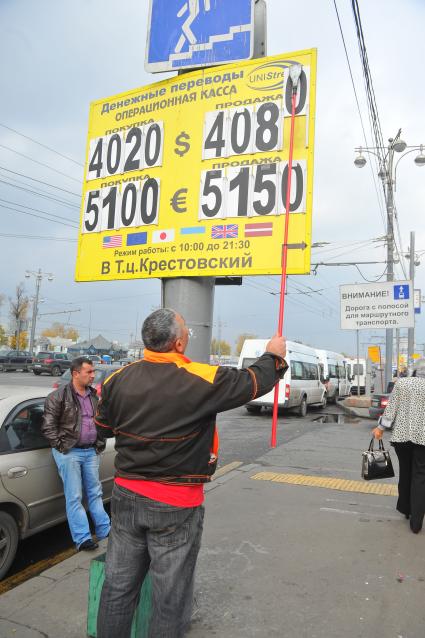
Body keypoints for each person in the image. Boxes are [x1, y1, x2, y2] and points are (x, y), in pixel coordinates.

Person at [95, 308, 287, 638]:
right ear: (179, 343)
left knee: (117, 589)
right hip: (176, 502)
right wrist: (274, 355)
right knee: (170, 599)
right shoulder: (201, 378)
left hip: (125, 496)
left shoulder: (116, 380)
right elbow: (253, 382)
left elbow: (104, 427)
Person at [42, 356, 110, 551]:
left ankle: (106, 531)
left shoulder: (93, 396)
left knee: (95, 493)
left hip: (91, 451)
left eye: (93, 371)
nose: (93, 375)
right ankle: (83, 538)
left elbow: (100, 421)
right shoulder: (59, 396)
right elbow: (48, 427)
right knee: (74, 497)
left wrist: (99, 442)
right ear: (75, 374)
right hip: (69, 452)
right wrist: (62, 448)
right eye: (88, 372)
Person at [372, 366, 425, 534]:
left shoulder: (402, 383)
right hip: (423, 438)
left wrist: (380, 428)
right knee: (420, 476)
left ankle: (406, 509)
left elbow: (391, 408)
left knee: (406, 472)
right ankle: (416, 523)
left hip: (402, 437)